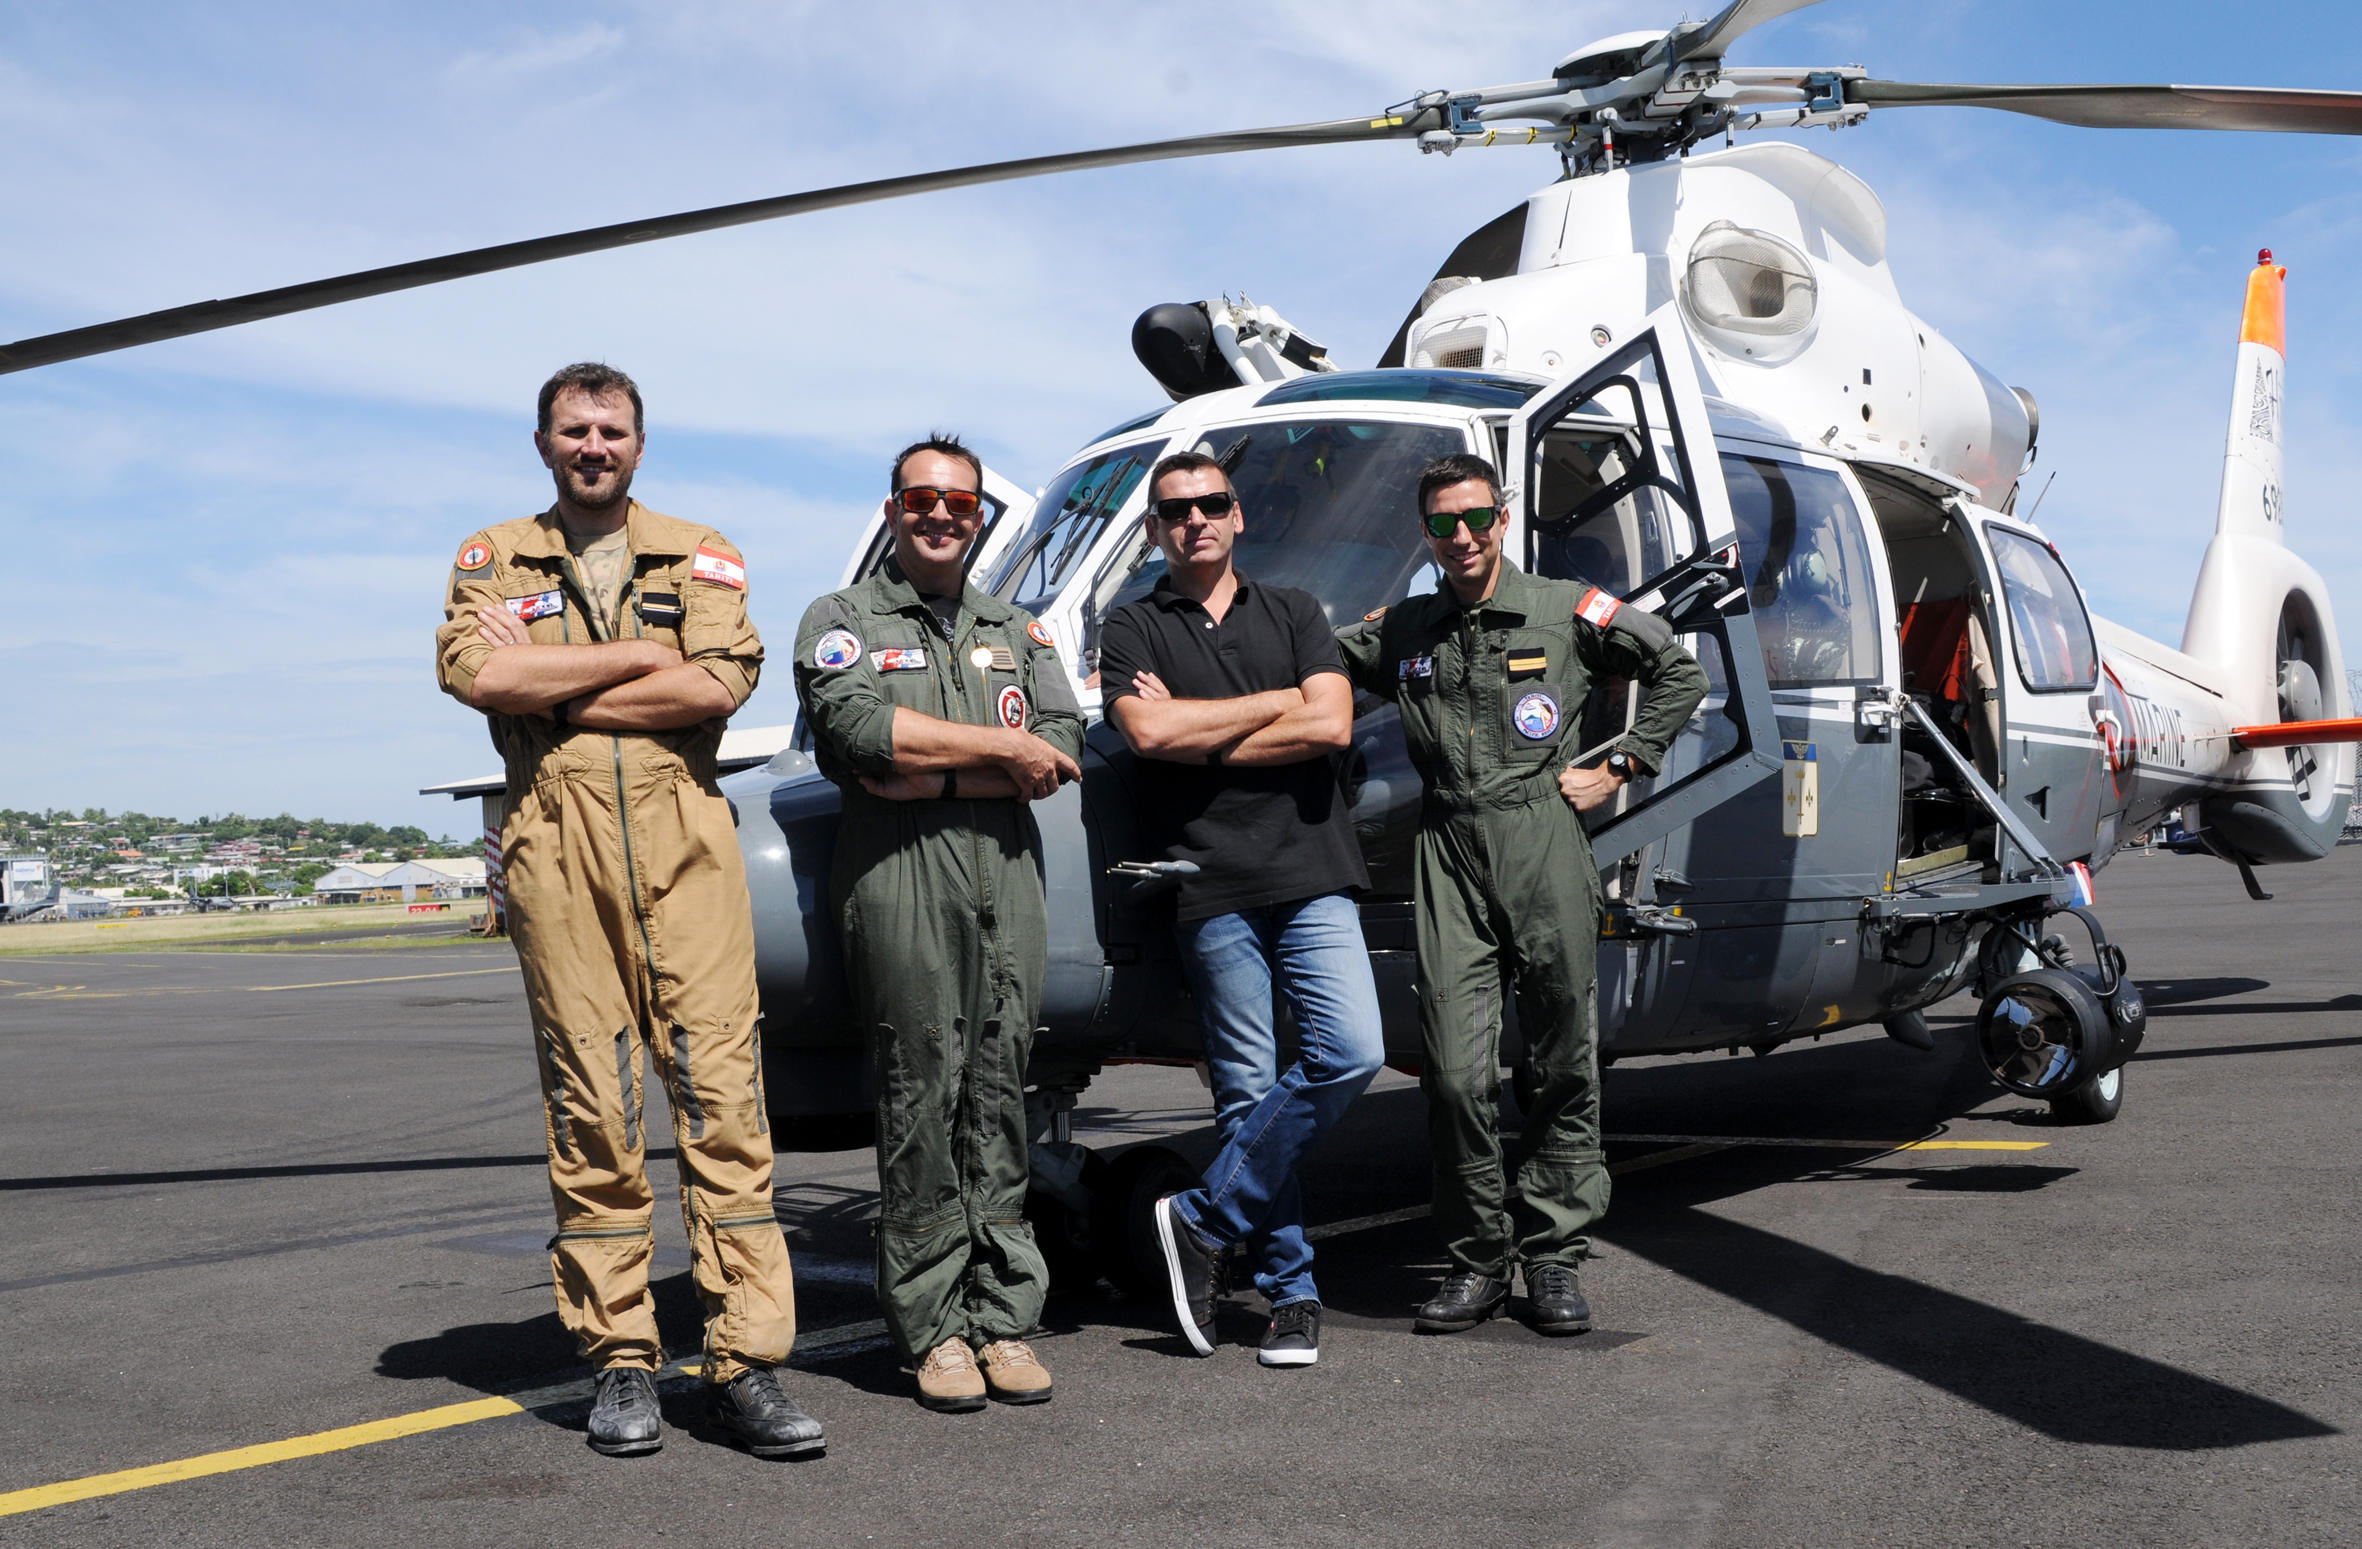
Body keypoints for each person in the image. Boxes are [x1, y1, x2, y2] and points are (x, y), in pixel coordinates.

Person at [435, 362, 820, 1459]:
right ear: (545, 443)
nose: (593, 445)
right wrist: (644, 654)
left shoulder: (698, 547)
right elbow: (475, 674)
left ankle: (748, 1363)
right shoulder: (492, 554)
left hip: (683, 842)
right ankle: (620, 1361)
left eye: (611, 429)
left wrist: (553, 672)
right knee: (592, 1106)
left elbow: (715, 686)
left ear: (638, 445)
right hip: (556, 847)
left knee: (723, 1099)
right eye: (574, 429)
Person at [1335, 453, 1707, 1335]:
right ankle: (1475, 1259)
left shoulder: (1566, 608)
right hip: (1448, 846)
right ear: (1424, 534)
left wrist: (1620, 762)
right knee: (1457, 1077)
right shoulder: (1407, 629)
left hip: (1541, 835)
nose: (1459, 537)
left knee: (1560, 1062)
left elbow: (1677, 673)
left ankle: (1553, 1257)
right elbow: (1305, 657)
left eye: (1474, 518)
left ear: (1502, 518)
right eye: (1440, 524)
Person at [793, 433, 1085, 1412]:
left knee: (1000, 1090)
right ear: (890, 511)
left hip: (1006, 879)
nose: (940, 515)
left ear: (978, 517)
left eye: (959, 503)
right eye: (920, 498)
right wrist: (997, 754)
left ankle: (1003, 1315)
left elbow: (1060, 746)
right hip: (901, 879)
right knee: (922, 1091)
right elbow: (861, 732)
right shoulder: (841, 618)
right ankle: (933, 1329)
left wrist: (944, 769)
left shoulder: (1018, 627)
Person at [1100, 450, 1386, 1368]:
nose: (1196, 520)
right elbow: (1147, 733)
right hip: (1205, 883)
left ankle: (1200, 1217)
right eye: (1176, 509)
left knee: (1351, 1052)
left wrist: (1201, 725)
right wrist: (1271, 707)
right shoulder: (1132, 624)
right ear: (1155, 528)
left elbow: (1331, 723)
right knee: (1247, 1097)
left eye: (1212, 503)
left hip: (1311, 870)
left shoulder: (1297, 609)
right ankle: (1292, 1294)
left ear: (1238, 517)